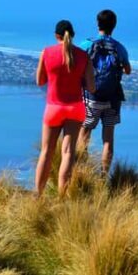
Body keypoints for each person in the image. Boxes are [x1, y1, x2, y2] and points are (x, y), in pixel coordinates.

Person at [35, 20, 95, 197]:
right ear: (73, 35)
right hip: (75, 108)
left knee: (47, 152)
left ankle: (38, 195)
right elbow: (92, 87)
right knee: (68, 152)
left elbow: (39, 81)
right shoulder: (83, 56)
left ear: (56, 36)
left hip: (53, 107)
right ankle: (63, 196)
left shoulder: (47, 52)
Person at [79, 9, 131, 175]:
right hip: (112, 99)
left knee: (84, 133)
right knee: (108, 139)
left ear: (97, 23)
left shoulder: (87, 44)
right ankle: (103, 176)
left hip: (91, 96)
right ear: (114, 26)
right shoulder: (119, 47)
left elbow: (76, 62)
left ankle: (81, 170)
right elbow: (128, 70)